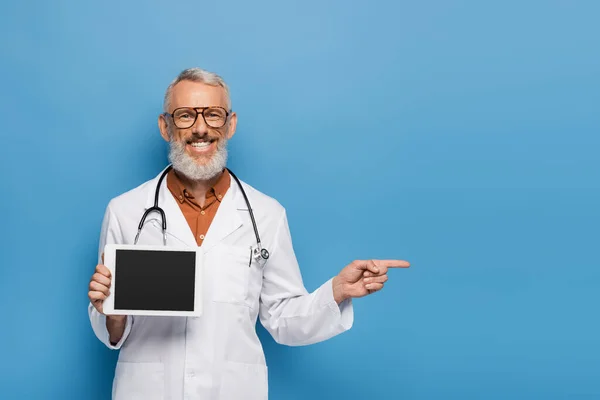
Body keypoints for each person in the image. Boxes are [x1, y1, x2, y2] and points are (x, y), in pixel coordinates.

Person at [87, 67, 410, 400]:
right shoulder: (126, 211)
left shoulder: (267, 215)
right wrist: (110, 311)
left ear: (230, 125)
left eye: (213, 115)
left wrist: (337, 292)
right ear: (165, 126)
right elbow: (112, 329)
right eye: (185, 115)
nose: (200, 128)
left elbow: (284, 320)